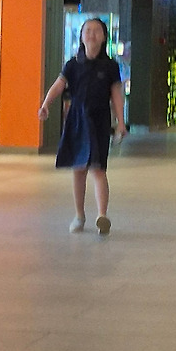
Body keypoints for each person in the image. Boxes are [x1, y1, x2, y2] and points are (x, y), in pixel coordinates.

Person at [39, 17, 127, 235]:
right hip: (77, 120)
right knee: (78, 169)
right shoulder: (72, 64)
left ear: (104, 37)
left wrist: (121, 122)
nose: (91, 34)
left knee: (98, 168)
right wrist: (46, 104)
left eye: (96, 30)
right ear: (81, 36)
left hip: (99, 120)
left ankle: (102, 215)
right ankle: (79, 216)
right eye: (87, 30)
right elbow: (59, 85)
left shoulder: (110, 66)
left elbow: (117, 95)